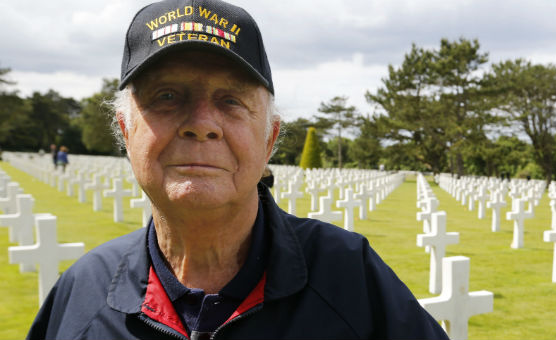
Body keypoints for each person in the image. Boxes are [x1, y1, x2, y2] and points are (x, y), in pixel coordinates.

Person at [26, 1, 448, 339]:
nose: (201, 123)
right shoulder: (82, 290)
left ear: (269, 140)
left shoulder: (350, 278)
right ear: (125, 131)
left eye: (231, 100)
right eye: (167, 95)